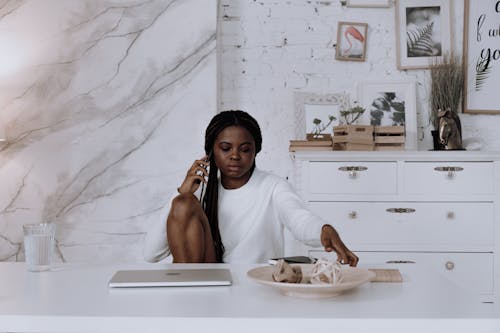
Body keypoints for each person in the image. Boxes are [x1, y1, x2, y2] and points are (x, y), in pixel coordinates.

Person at [144, 110, 358, 265]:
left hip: (254, 285)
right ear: (211, 152)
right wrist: (182, 192)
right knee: (183, 204)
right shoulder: (198, 193)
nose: (235, 155)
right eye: (226, 148)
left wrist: (324, 230)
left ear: (255, 152)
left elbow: (299, 218)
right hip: (206, 283)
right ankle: (190, 308)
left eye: (245, 149)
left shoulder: (273, 186)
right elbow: (151, 254)